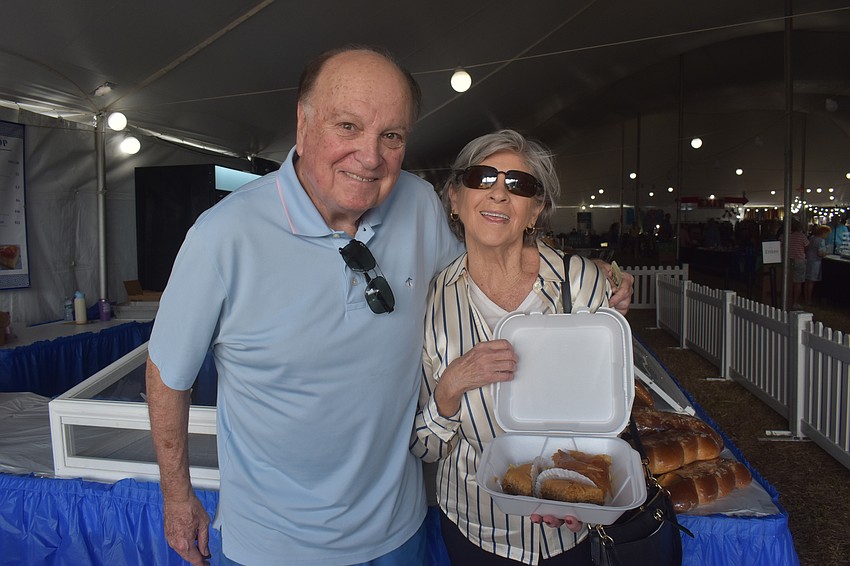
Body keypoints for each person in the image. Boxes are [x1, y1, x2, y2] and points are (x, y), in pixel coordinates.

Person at [145, 47, 635, 566]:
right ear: (303, 122)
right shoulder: (222, 236)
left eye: (391, 136)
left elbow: (484, 269)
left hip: (397, 531)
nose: (370, 156)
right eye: (348, 126)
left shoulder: (417, 204)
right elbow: (166, 373)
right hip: (276, 542)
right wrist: (177, 497)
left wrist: (596, 276)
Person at [411, 130, 614, 565]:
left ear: (536, 210)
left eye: (519, 185)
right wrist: (449, 388)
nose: (499, 194)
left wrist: (584, 491)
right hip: (476, 526)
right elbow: (424, 446)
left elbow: (607, 412)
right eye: (482, 178)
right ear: (455, 199)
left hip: (567, 527)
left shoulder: (581, 284)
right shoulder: (431, 303)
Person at [782, 219, 808, 309]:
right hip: (799, 260)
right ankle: (795, 302)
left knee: (788, 281)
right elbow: (807, 247)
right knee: (798, 283)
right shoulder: (802, 236)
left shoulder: (785, 236)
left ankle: (787, 300)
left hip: (788, 260)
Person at [804, 224, 831, 304]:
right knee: (811, 281)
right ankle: (809, 299)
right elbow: (820, 253)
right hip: (815, 262)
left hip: (808, 260)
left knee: (807, 281)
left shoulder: (812, 238)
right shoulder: (821, 241)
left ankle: (805, 297)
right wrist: (826, 253)